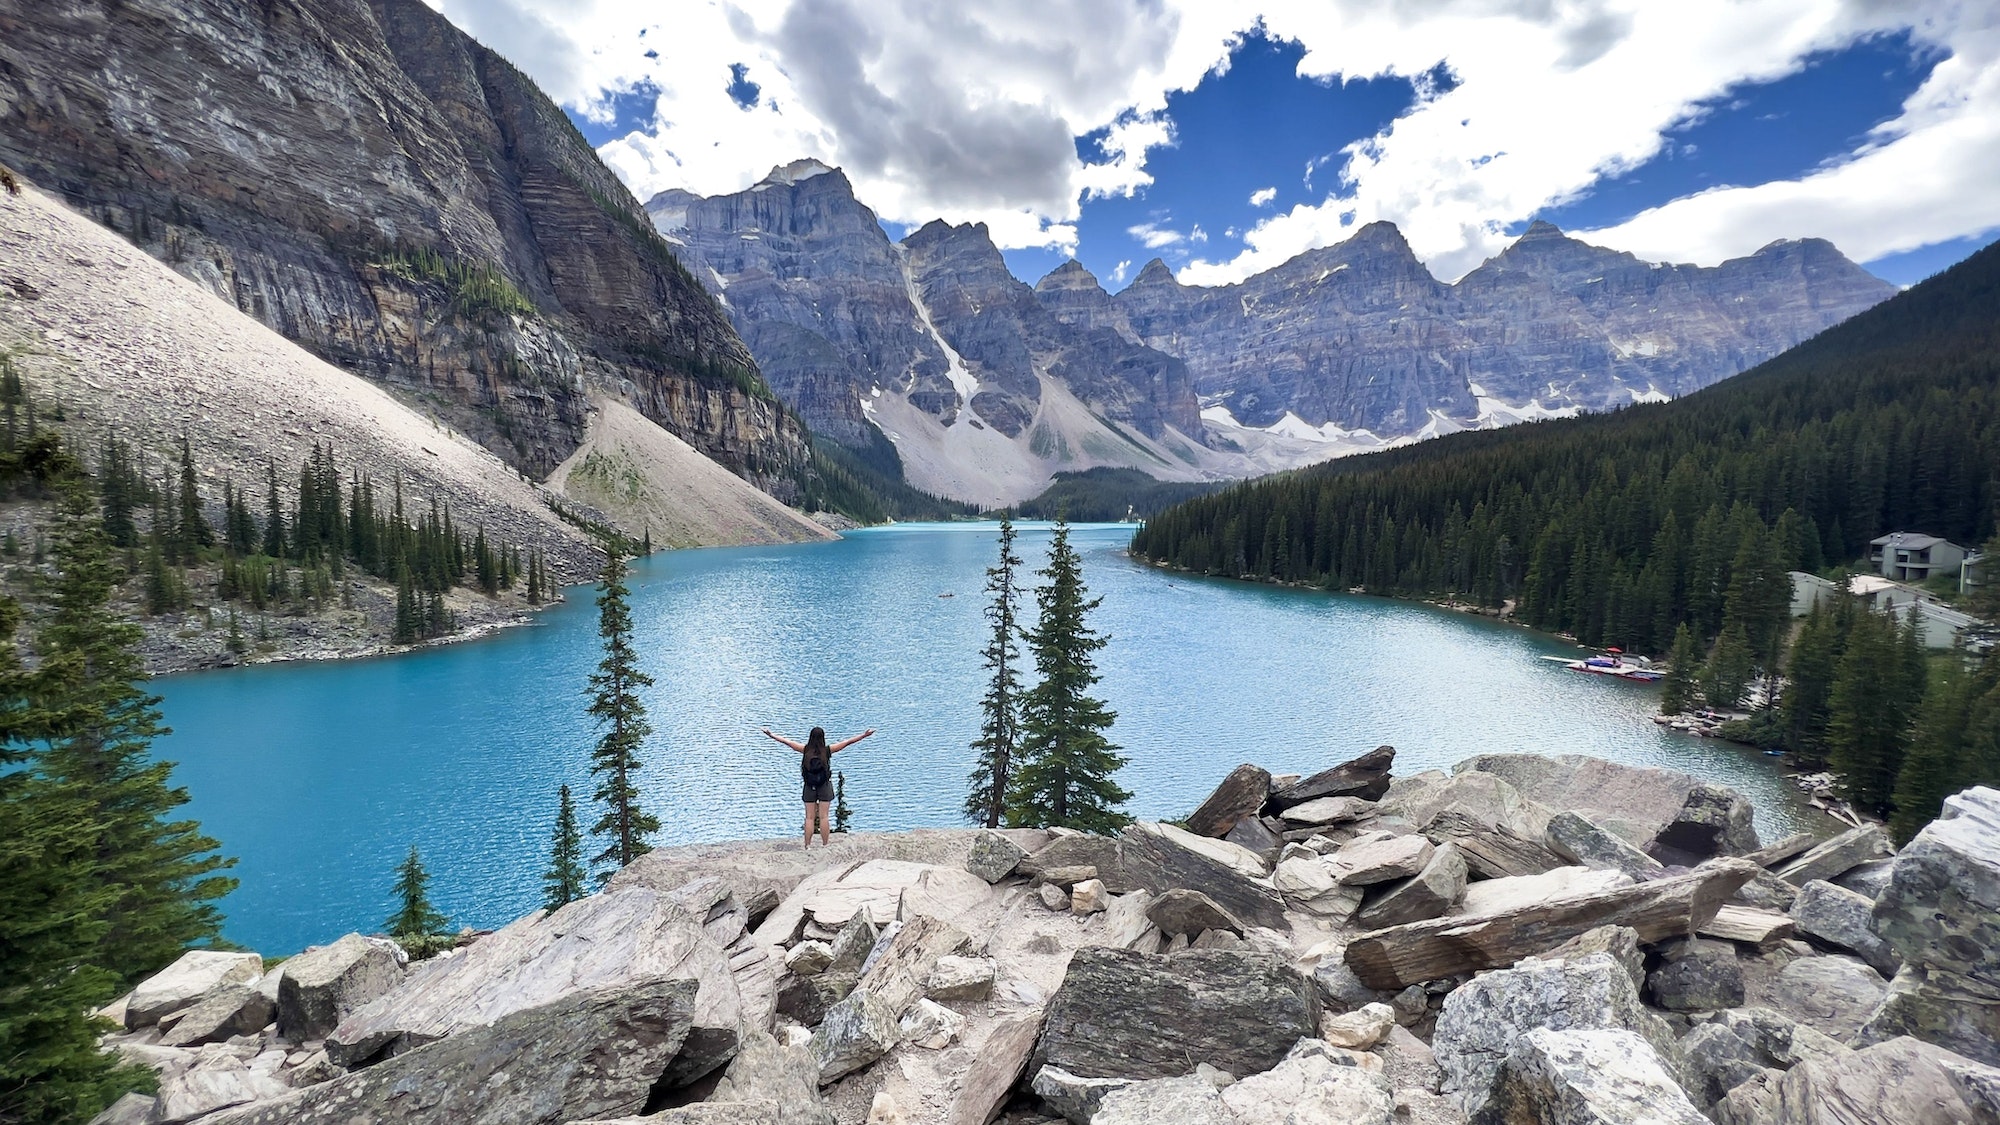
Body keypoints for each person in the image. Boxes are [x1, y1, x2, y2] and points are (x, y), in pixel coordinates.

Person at [762, 726, 875, 848]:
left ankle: (807, 845)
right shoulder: (827, 750)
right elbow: (847, 742)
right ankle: (825, 844)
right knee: (824, 817)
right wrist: (864, 735)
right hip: (824, 785)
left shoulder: (805, 749)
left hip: (809, 786)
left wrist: (771, 735)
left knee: (809, 818)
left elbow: (786, 742)